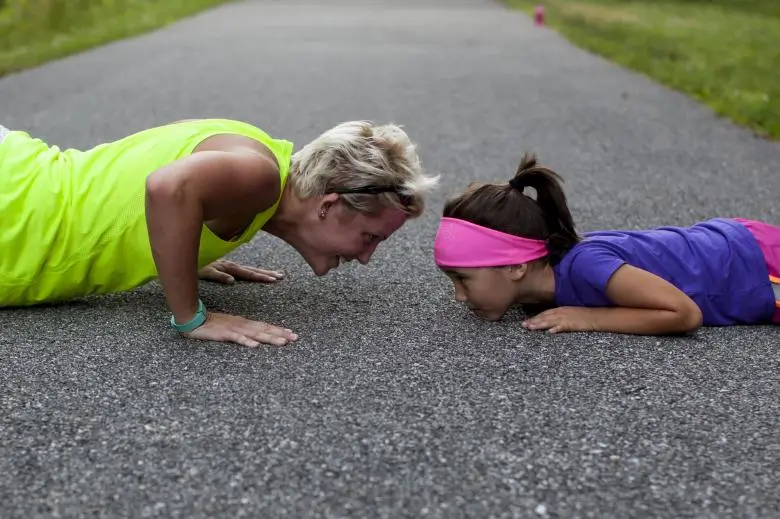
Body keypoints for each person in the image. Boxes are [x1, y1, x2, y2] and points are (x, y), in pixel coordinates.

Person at [0, 118, 439, 346]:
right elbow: (167, 186)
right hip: (15, 213)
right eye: (370, 237)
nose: (366, 257)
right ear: (329, 206)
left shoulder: (258, 158)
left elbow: (143, 178)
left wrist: (182, 248)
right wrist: (193, 317)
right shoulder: (259, 177)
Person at [433, 152, 780, 336]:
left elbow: (684, 313)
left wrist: (590, 318)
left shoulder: (585, 266)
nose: (459, 296)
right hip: (740, 247)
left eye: (464, 279)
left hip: (757, 265)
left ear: (515, 265)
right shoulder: (543, 288)